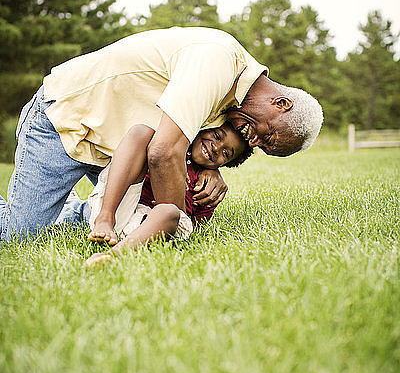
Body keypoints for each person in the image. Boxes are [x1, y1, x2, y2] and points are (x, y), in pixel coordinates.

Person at [0, 26, 323, 242]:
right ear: (280, 104)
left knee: (121, 216)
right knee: (18, 232)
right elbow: (163, 152)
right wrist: (171, 226)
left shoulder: (236, 103)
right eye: (266, 138)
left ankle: (72, 207)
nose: (253, 142)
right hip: (67, 122)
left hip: (121, 149)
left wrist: (209, 169)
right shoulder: (217, 61)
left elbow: (196, 140)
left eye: (262, 147)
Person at [55, 121, 252, 266]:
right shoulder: (167, 147)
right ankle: (104, 218)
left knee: (169, 212)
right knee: (142, 132)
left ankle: (113, 256)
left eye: (227, 153)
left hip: (153, 228)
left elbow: (193, 227)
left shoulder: (208, 186)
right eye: (217, 136)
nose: (216, 148)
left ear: (227, 164)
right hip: (120, 211)